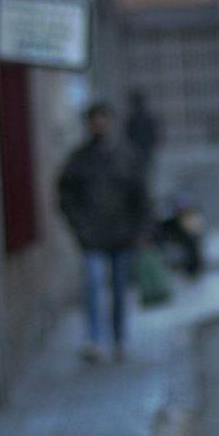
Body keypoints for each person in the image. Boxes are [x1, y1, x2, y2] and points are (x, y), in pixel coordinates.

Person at [58, 103, 152, 363]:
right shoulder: (79, 159)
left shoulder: (126, 155)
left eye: (103, 119)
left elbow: (141, 196)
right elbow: (66, 196)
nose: (99, 125)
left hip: (122, 235)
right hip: (92, 238)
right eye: (94, 120)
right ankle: (94, 339)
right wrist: (80, 227)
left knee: (119, 290)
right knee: (93, 286)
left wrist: (141, 230)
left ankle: (119, 339)